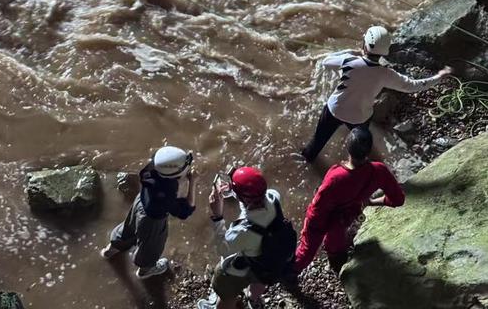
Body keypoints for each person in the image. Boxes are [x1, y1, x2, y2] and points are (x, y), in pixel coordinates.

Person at [301, 25, 452, 162]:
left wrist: (349, 52)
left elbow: (326, 62)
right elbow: (412, 85)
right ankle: (364, 166)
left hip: (335, 109)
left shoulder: (348, 61)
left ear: (365, 46)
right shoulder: (386, 74)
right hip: (360, 116)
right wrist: (439, 77)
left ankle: (307, 158)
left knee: (317, 142)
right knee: (361, 148)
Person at [295, 127, 405, 273]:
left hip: (330, 219)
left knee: (307, 251)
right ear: (368, 151)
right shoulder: (379, 171)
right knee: (338, 245)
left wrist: (310, 229)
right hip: (349, 215)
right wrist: (373, 202)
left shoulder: (336, 177)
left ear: (347, 148)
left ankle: (290, 272)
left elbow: (317, 209)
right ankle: (339, 266)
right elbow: (398, 199)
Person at [197, 167, 296, 309]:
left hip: (251, 264)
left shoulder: (243, 231)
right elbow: (253, 203)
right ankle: (253, 300)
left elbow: (223, 249)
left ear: (241, 198)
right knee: (261, 278)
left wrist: (217, 216)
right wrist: (235, 191)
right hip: (271, 263)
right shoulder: (274, 197)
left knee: (224, 286)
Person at [101, 146, 197, 279]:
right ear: (173, 175)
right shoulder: (167, 190)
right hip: (153, 219)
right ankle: (146, 269)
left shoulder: (152, 169)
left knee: (128, 228)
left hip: (141, 202)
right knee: (151, 246)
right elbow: (185, 211)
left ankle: (111, 249)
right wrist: (193, 182)